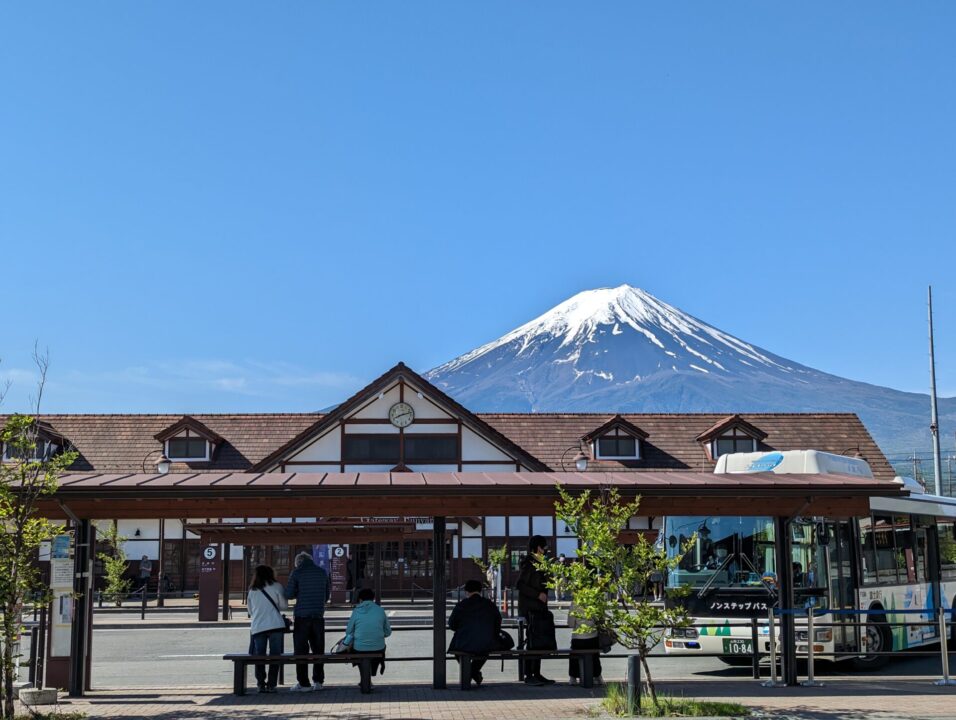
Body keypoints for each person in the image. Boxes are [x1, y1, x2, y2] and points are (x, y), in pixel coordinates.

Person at [285, 551, 331, 692]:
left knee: (301, 650)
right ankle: (318, 681)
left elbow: (289, 594)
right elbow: (326, 595)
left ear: (298, 562)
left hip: (302, 616)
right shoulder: (322, 572)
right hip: (318, 615)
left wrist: (299, 592)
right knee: (318, 649)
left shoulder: (297, 573)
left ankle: (304, 683)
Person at [516, 535, 556, 686]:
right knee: (532, 641)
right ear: (538, 547)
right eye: (544, 546)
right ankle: (529, 674)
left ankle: (536, 673)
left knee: (538, 640)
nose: (545, 549)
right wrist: (538, 594)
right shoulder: (529, 562)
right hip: (530, 609)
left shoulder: (540, 562)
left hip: (539, 608)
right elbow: (520, 584)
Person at [448, 579, 502, 687]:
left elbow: (452, 624)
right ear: (480, 590)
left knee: (457, 651)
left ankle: (471, 673)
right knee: (483, 652)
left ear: (466, 591)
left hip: (464, 642)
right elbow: (498, 622)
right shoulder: (489, 604)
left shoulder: (462, 605)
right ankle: (474, 672)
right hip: (487, 641)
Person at [247, 565, 288, 694]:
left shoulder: (252, 590)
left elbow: (250, 611)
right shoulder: (277, 586)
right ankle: (272, 684)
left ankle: (260, 683)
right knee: (275, 655)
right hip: (275, 624)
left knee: (260, 656)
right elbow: (284, 606)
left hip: (258, 626)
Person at [344, 588, 391, 686]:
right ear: (373, 599)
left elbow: (348, 631)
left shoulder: (356, 611)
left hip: (359, 648)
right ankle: (372, 672)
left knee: (357, 651)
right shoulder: (380, 610)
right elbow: (388, 632)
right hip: (378, 647)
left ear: (360, 599)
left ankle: (364, 679)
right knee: (380, 648)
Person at [567, 598, 603, 686]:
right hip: (593, 637)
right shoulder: (595, 600)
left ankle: (573, 677)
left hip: (578, 637)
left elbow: (570, 624)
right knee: (595, 656)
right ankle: (597, 675)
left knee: (574, 655)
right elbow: (601, 621)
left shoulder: (575, 602)